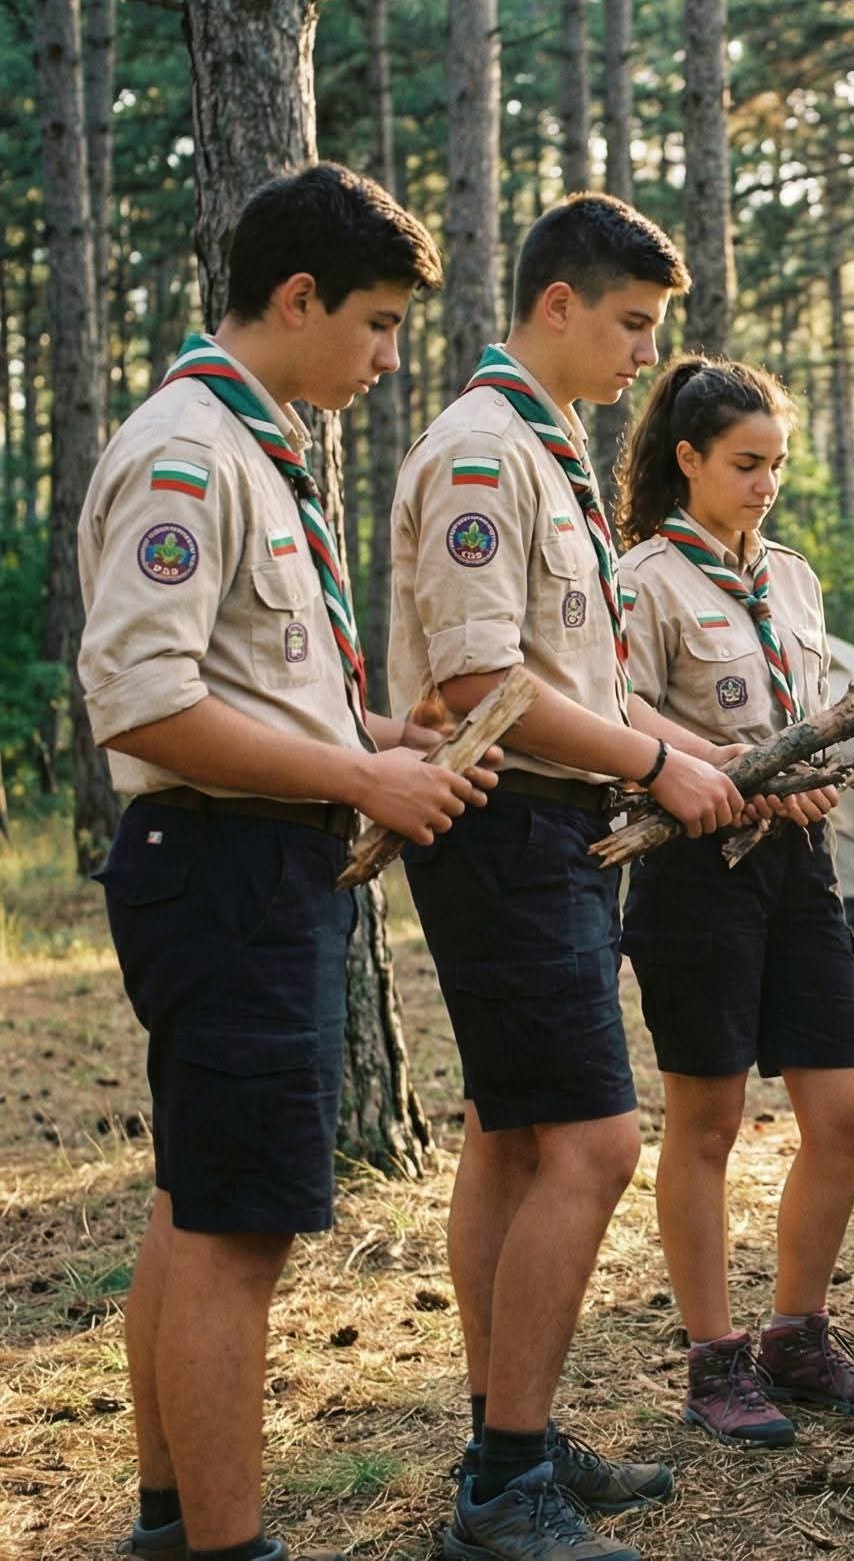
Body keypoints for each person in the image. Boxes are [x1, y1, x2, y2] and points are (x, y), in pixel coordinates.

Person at [77, 165, 498, 1561]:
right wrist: (361, 778)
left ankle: (171, 1517)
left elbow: (245, 684)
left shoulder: (255, 452)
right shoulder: (190, 453)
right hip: (225, 868)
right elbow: (142, 701)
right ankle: (229, 1542)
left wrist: (377, 734)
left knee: (196, 1200)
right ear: (299, 297)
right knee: (237, 1236)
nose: (387, 359)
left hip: (246, 856)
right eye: (377, 324)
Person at [390, 196, 749, 1561]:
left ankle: (511, 1435)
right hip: (508, 831)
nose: (644, 356)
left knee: (512, 1134)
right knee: (595, 1144)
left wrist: (685, 748)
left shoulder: (547, 451)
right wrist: (656, 762)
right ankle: (503, 1486)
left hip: (554, 826)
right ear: (558, 304)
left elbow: (572, 677)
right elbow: (483, 679)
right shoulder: (484, 452)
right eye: (631, 324)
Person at [611, 356, 854, 1448]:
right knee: (709, 1120)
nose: (766, 483)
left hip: (800, 865)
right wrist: (726, 763)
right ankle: (713, 1360)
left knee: (847, 1113)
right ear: (688, 459)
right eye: (746, 463)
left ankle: (797, 1335)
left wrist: (847, 761)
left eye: (777, 462)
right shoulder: (643, 578)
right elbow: (616, 705)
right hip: (697, 868)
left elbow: (806, 715)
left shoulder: (792, 576)